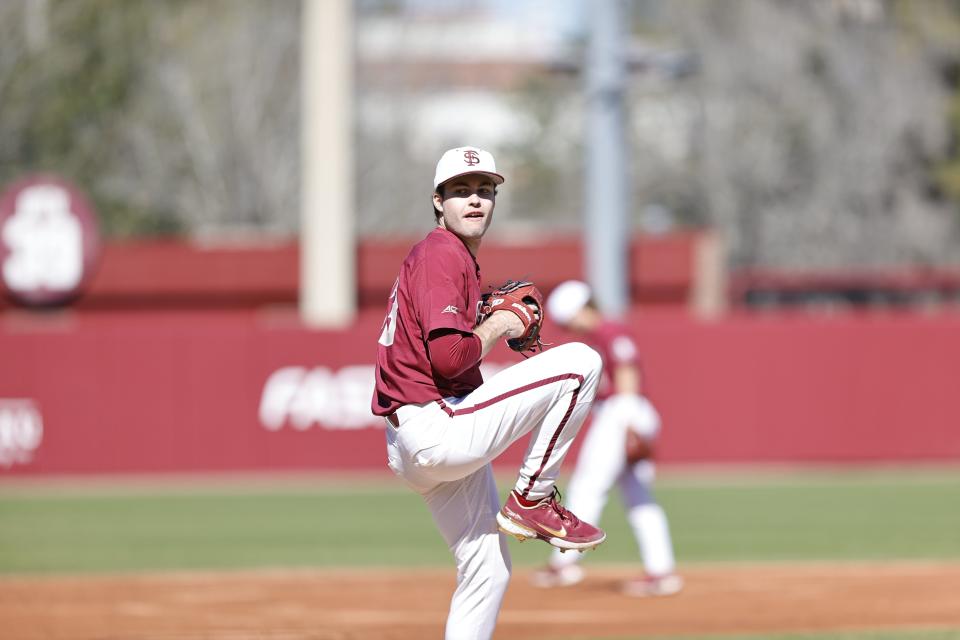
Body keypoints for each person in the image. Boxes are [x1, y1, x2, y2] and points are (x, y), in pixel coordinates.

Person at [371, 147, 606, 640]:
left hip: (415, 439)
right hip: (434, 426)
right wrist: (502, 320)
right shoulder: (442, 252)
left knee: (487, 567)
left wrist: (486, 319)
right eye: (460, 191)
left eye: (484, 190)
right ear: (438, 202)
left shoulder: (447, 258)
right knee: (581, 362)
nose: (474, 200)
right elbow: (450, 359)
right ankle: (532, 498)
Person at [531, 280, 683, 597]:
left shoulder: (609, 331)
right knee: (639, 497)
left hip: (622, 411)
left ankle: (565, 564)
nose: (569, 325)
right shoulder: (602, 333)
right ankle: (662, 571)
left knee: (588, 486)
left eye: (568, 318)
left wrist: (627, 423)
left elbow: (627, 371)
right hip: (627, 412)